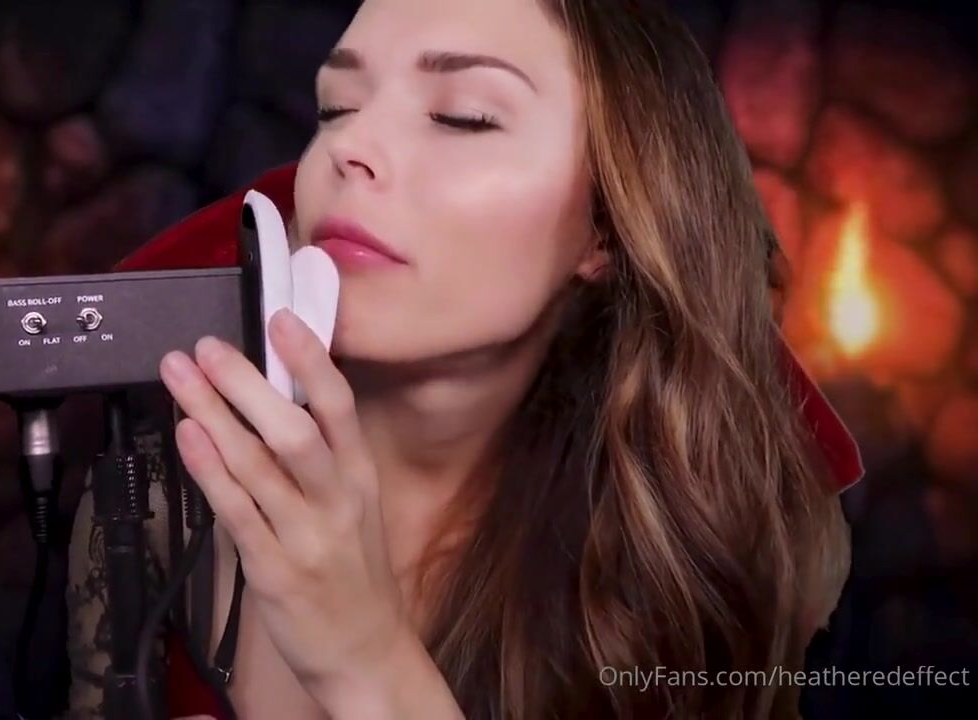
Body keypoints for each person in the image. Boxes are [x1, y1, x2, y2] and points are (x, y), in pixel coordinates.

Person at [65, 0, 864, 718]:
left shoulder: (694, 560)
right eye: (335, 108)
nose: (350, 147)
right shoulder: (152, 503)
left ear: (604, 230)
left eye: (463, 117)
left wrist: (368, 664)